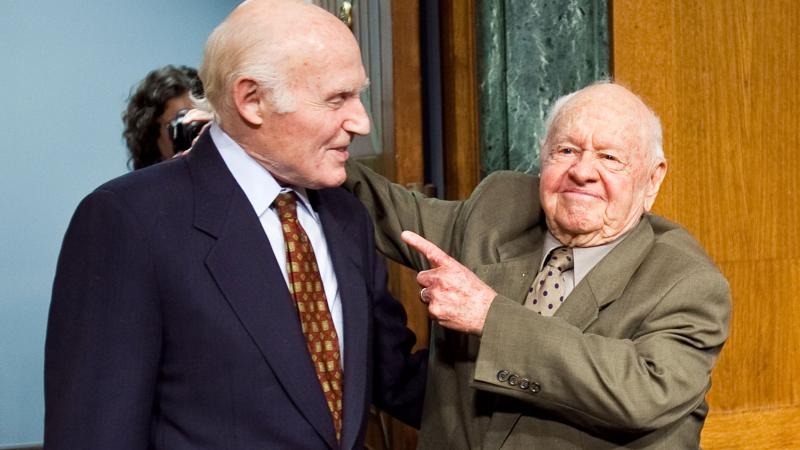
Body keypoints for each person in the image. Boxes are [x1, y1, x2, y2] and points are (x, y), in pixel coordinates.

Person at [45, 1, 426, 449]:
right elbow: (95, 433)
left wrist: (508, 331)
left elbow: (395, 380)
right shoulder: (129, 222)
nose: (361, 121)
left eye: (357, 95)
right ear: (252, 100)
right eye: (336, 99)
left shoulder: (347, 216)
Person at [344, 82, 731, 448]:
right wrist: (304, 145)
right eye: (566, 151)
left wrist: (490, 317)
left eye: (609, 158)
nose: (582, 171)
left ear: (652, 180)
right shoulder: (499, 207)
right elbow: (386, 209)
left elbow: (645, 390)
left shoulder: (686, 281)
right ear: (543, 155)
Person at [121, 64, 202, 169]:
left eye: (197, 121)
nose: (193, 131)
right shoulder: (148, 184)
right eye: (180, 122)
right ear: (152, 138)